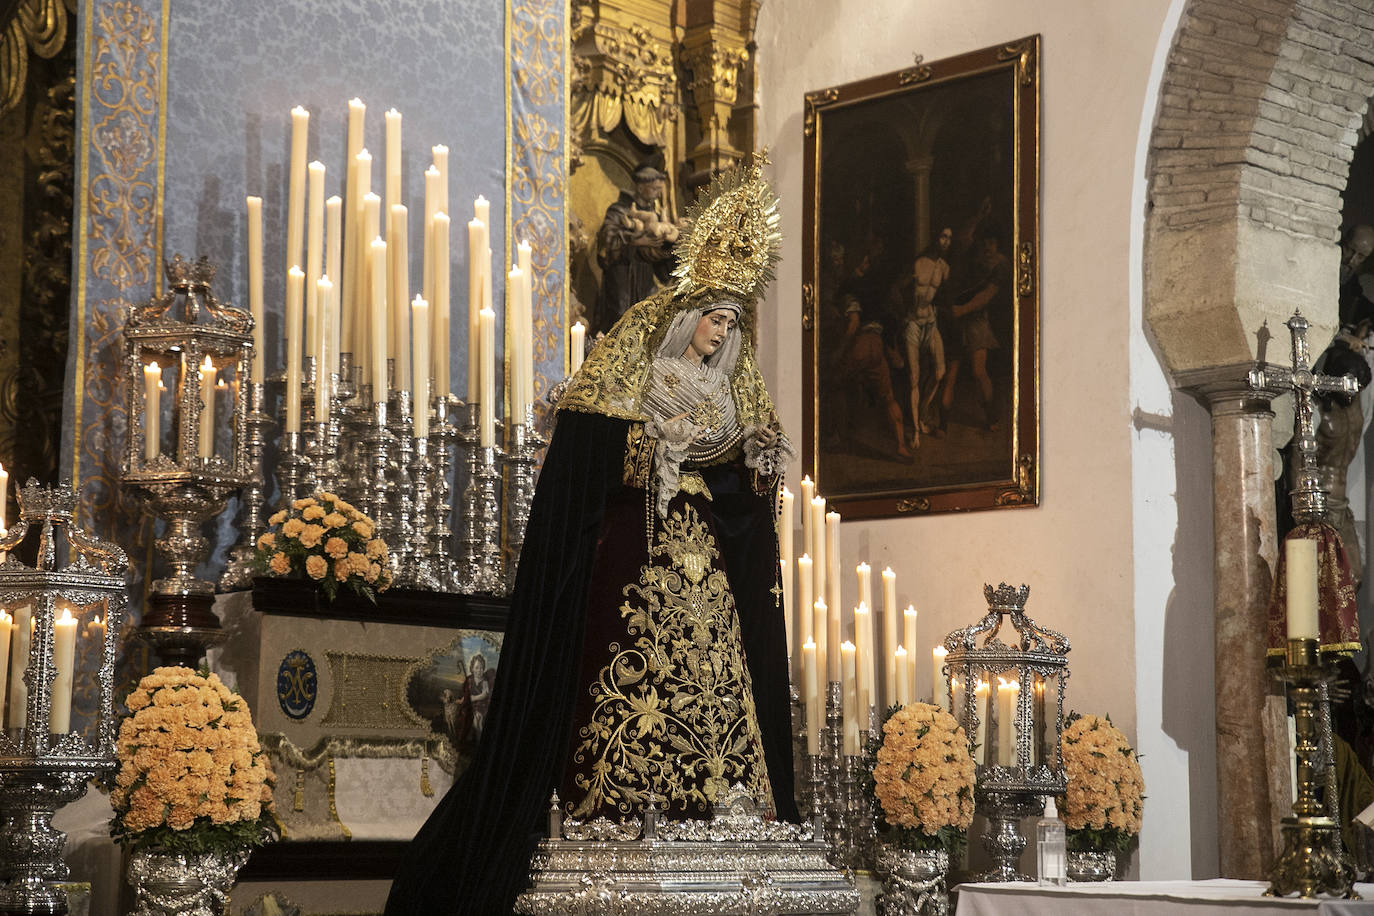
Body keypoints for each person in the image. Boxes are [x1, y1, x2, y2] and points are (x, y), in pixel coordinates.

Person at [386, 153, 797, 914]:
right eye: (714, 318)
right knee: (625, 671)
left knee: (712, 683)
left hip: (700, 563)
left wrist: (753, 463)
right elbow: (589, 455)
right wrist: (652, 446)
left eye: (732, 323)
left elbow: (739, 487)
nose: (720, 334)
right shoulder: (634, 355)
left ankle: (715, 819)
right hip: (631, 556)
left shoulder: (730, 383)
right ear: (686, 314)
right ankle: (614, 817)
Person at [593, 157, 680, 333]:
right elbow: (606, 242)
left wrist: (666, 247)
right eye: (654, 189)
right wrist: (636, 241)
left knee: (647, 320)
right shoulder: (618, 211)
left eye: (659, 190)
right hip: (622, 277)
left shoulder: (656, 217)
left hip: (645, 278)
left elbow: (662, 266)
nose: (657, 194)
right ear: (640, 187)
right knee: (619, 321)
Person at [940, 232, 1009, 432]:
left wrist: (962, 310)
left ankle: (992, 419)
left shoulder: (999, 267)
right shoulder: (970, 260)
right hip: (956, 320)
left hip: (975, 321)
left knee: (978, 371)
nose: (987, 247)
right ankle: (942, 424)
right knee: (950, 373)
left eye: (992, 243)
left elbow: (986, 295)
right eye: (984, 243)